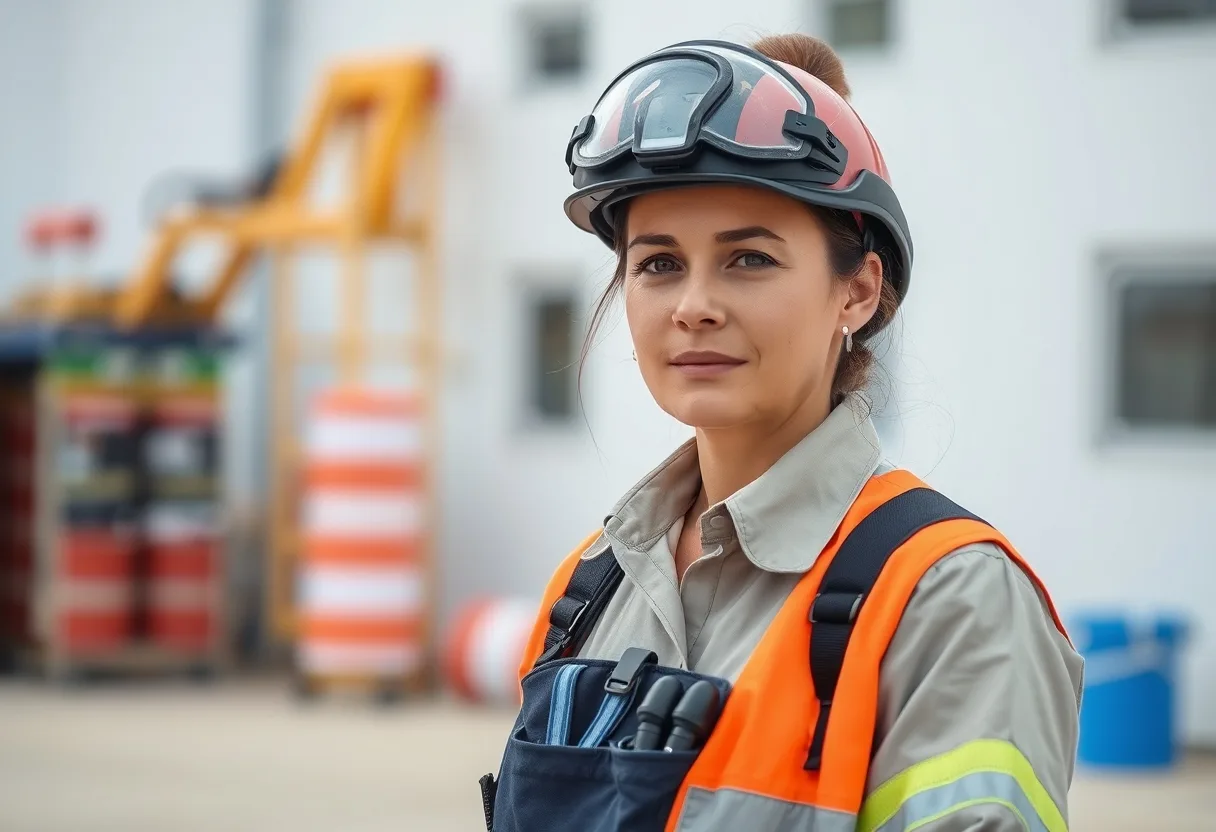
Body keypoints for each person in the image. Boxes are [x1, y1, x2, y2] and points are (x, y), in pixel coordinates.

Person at [490, 33, 1084, 832]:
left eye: (749, 260)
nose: (693, 304)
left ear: (859, 292)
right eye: (658, 264)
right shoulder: (587, 590)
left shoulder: (950, 601)